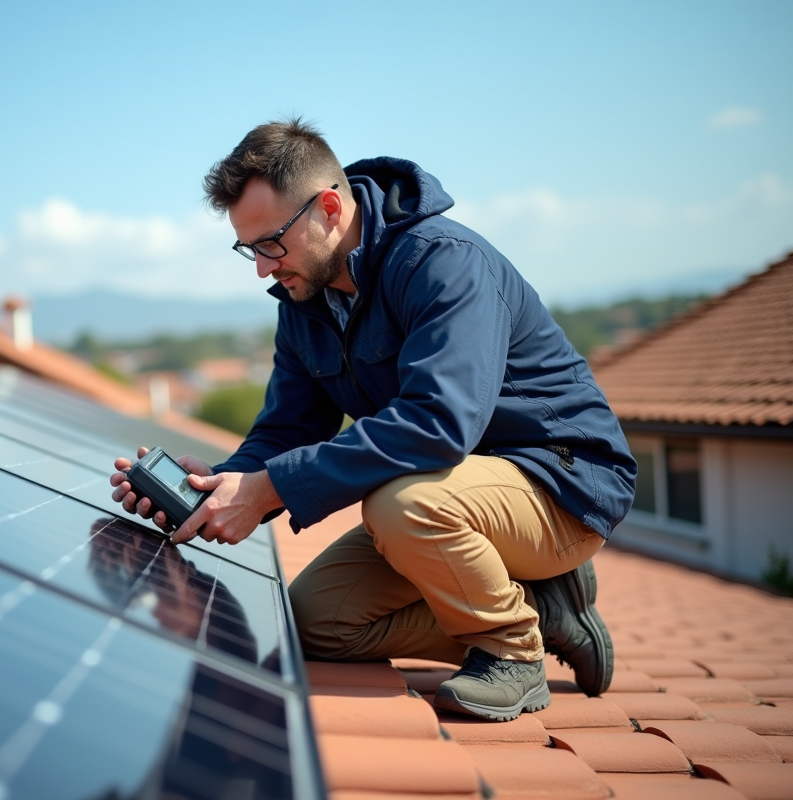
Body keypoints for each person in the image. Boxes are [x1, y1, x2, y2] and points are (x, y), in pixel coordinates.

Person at [110, 118, 636, 722]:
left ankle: (511, 650)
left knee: (399, 505)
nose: (261, 268)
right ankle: (545, 615)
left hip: (562, 483)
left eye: (270, 244)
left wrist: (269, 489)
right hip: (455, 489)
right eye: (248, 248)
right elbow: (287, 430)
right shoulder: (304, 299)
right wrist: (220, 484)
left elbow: (437, 423)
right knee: (315, 623)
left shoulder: (444, 263)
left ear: (329, 207)